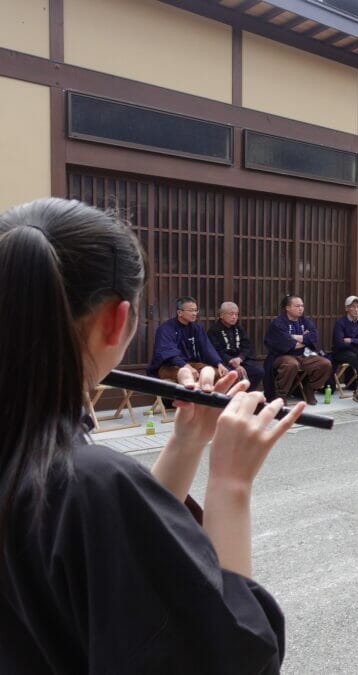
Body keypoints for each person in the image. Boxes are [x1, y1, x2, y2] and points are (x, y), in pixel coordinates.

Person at [0, 197, 301, 671]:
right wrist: (230, 484)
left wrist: (185, 444)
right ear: (117, 320)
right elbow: (227, 656)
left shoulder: (45, 462)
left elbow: (112, 555)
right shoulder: (85, 481)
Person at [264, 295, 332, 404]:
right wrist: (304, 339)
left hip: (303, 355)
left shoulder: (305, 321)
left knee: (325, 363)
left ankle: (310, 389)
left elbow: (313, 337)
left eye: (302, 306)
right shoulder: (279, 323)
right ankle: (281, 395)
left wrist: (294, 337)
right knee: (291, 364)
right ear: (288, 308)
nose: (300, 308)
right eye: (297, 306)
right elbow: (289, 344)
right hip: (282, 355)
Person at [147, 296, 227, 382]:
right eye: (191, 310)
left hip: (192, 364)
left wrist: (219, 364)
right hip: (168, 366)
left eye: (196, 310)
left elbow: (207, 348)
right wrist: (186, 367)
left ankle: (209, 395)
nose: (194, 313)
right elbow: (168, 353)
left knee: (218, 373)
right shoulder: (166, 329)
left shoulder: (197, 328)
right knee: (189, 376)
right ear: (179, 312)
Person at [209, 301, 264, 391]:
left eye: (236, 314)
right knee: (231, 374)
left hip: (240, 360)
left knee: (258, 371)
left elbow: (247, 346)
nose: (234, 317)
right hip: (224, 362)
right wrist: (232, 362)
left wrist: (240, 358)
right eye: (231, 314)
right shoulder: (214, 330)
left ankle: (246, 394)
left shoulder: (239, 328)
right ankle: (231, 396)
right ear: (221, 315)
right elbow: (216, 350)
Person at [331, 295, 358, 402]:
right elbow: (339, 343)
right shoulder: (340, 323)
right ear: (347, 308)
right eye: (353, 307)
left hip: (354, 350)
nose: (356, 309)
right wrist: (357, 342)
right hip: (340, 352)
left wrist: (351, 340)